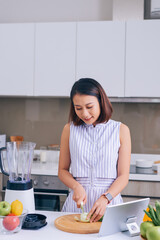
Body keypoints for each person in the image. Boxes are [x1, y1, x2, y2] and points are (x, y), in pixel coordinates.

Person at [58, 78, 131, 222]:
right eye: (78, 108)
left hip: (109, 204)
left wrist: (106, 198)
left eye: (89, 106)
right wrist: (76, 186)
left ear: (101, 102)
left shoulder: (121, 130)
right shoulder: (69, 130)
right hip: (77, 206)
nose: (84, 114)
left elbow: (123, 176)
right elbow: (62, 170)